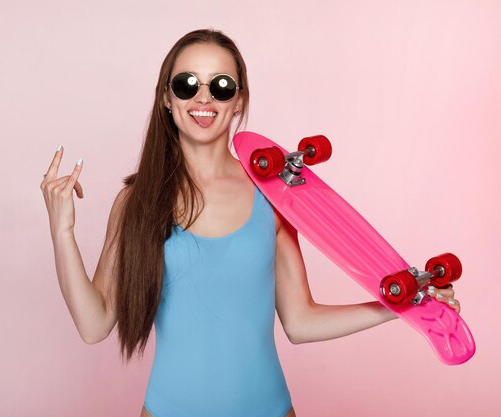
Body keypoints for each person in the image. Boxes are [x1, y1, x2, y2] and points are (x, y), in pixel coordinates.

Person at [40, 28, 460, 417]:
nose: (203, 99)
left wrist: (400, 304)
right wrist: (62, 233)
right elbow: (94, 325)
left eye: (221, 87)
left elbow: (299, 322)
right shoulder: (137, 202)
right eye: (187, 84)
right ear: (166, 98)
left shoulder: (275, 197)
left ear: (239, 99)